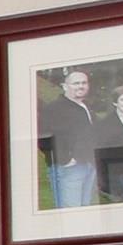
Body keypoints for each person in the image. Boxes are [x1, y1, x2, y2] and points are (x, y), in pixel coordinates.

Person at [39, 68, 102, 209]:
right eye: (76, 83)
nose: (81, 86)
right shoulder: (54, 109)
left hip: (89, 165)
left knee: (85, 209)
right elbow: (43, 137)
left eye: (84, 83)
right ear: (65, 86)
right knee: (70, 213)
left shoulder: (85, 107)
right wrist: (65, 160)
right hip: (69, 168)